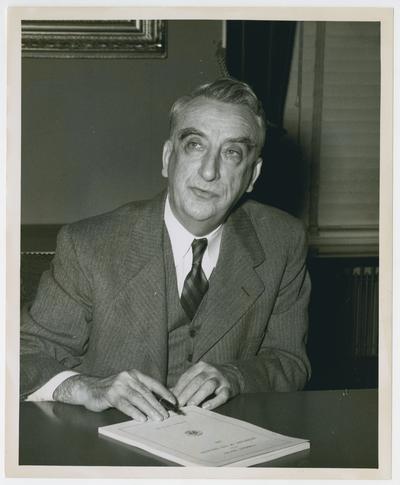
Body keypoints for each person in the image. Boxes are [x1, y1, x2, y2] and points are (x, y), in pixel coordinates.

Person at [20, 77, 311, 422]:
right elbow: (23, 356)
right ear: (168, 157)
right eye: (195, 146)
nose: (209, 171)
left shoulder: (282, 241)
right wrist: (85, 387)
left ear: (252, 175)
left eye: (232, 153)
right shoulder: (88, 246)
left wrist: (236, 376)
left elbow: (290, 361)